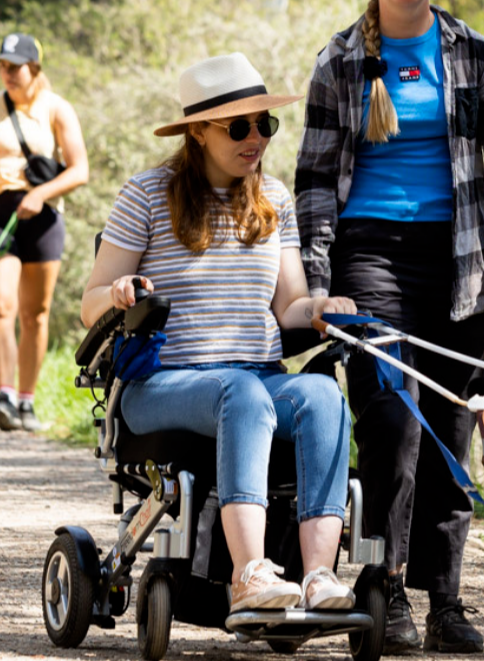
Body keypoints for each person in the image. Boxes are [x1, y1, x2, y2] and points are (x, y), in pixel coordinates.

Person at [296, 0, 484, 654]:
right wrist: (317, 285)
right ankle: (384, 591)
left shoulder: (474, 54)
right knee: (391, 425)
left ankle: (446, 602)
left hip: (461, 263)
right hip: (368, 261)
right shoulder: (339, 61)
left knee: (453, 429)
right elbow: (313, 183)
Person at [81, 52, 357, 612]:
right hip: (161, 386)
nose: (255, 138)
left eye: (265, 125)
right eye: (238, 127)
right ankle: (249, 574)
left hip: (253, 378)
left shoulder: (273, 198)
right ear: (198, 133)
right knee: (244, 392)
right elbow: (90, 305)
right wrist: (116, 294)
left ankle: (318, 577)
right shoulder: (146, 194)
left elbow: (289, 308)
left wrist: (324, 306)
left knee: (325, 394)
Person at [0, 33, 89, 432]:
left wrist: (41, 194)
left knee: (36, 313)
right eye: (2, 66)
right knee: (0, 305)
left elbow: (79, 169)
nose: (7, 73)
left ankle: (28, 402)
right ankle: (5, 396)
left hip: (43, 212)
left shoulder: (57, 109)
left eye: (15, 66)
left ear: (35, 68)